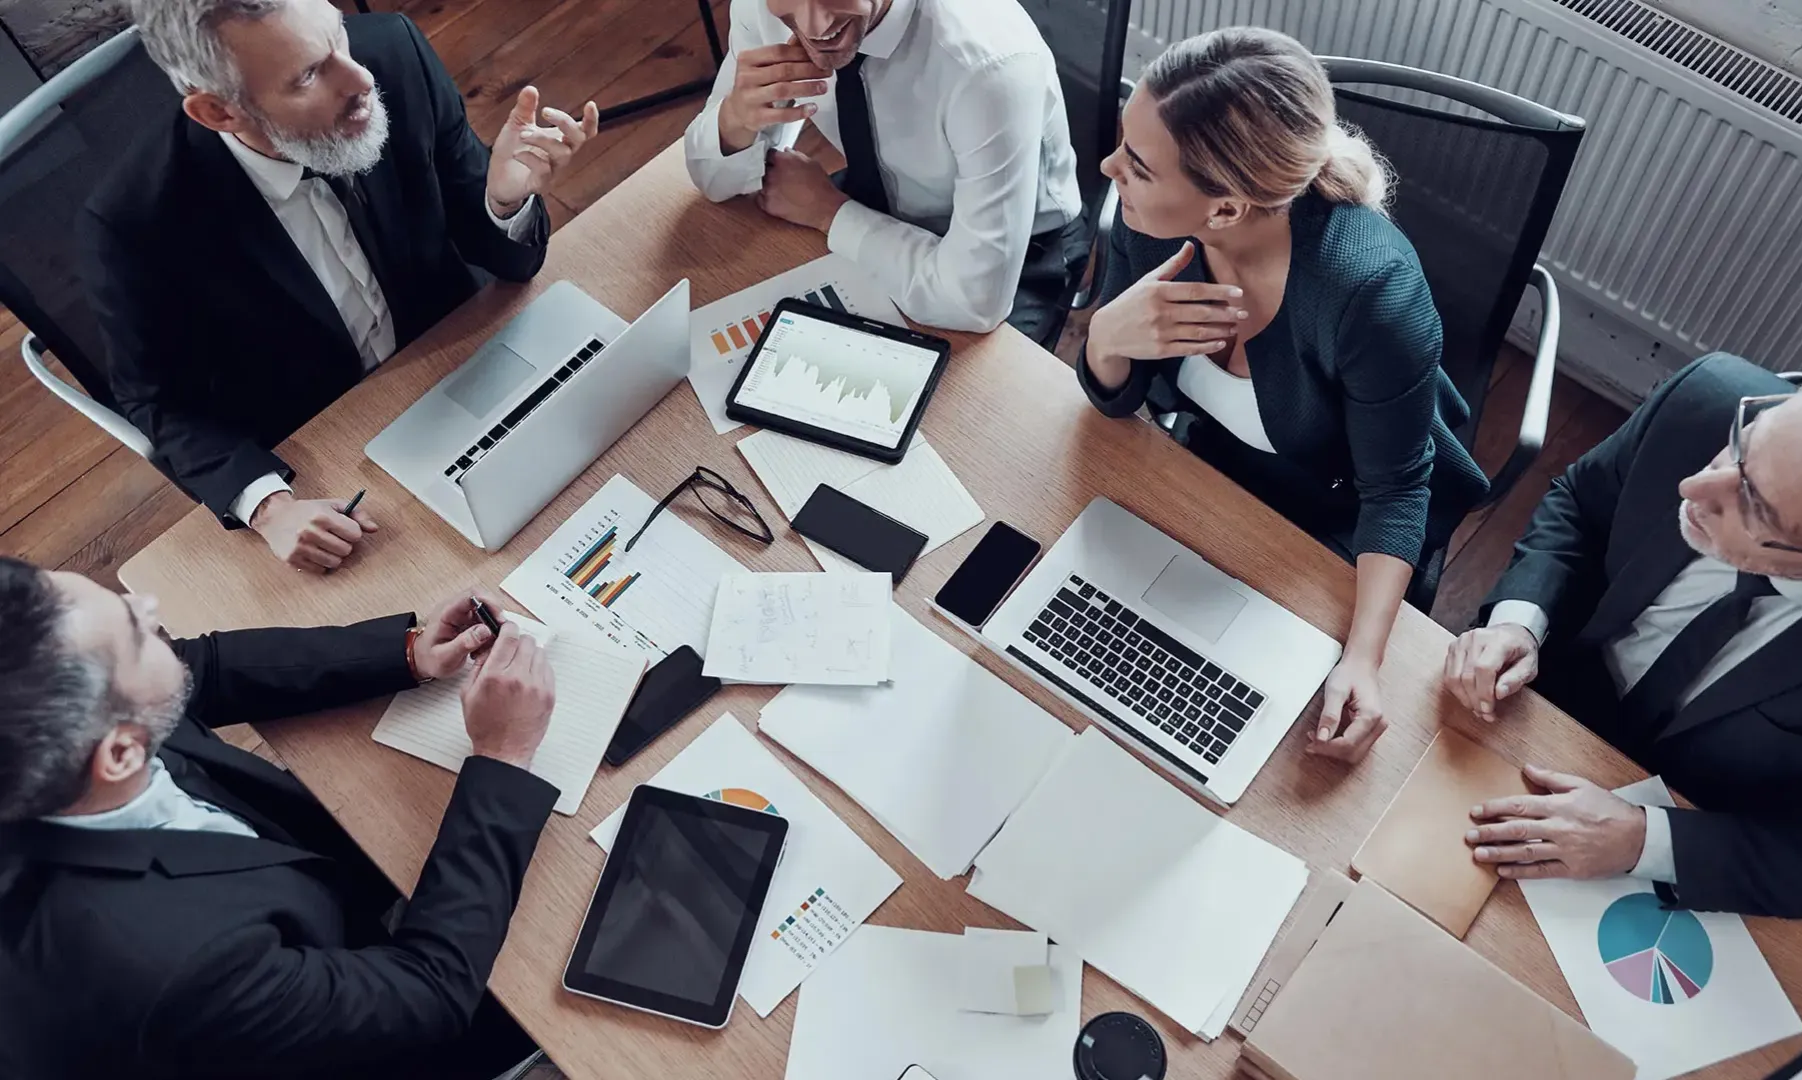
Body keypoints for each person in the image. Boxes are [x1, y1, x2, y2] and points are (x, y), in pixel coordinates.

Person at [1079, 27, 1489, 764]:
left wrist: (1363, 660)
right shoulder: (1155, 221)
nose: (1109, 168)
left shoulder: (1371, 291)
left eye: (1136, 165)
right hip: (1210, 479)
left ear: (1227, 210)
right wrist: (1108, 336)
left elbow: (1397, 491)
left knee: (1245, 740)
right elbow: (1114, 400)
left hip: (1334, 525)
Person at [81, 0, 599, 573]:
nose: (360, 79)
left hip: (462, 362)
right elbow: (158, 402)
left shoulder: (393, 55)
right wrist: (270, 509)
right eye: (307, 74)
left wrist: (503, 201)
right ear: (218, 112)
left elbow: (500, 255)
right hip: (332, 453)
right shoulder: (135, 223)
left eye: (338, 37)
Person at [0, 556, 559, 1078]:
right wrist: (502, 757)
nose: (147, 605)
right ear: (120, 754)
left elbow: (203, 669)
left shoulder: (64, 735)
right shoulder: (179, 966)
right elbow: (426, 997)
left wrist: (408, 652)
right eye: (135, 632)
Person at [1442, 350, 1802, 920]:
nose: (1696, 486)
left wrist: (1647, 842)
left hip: (1699, 825)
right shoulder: (1707, 399)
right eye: (1749, 439)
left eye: (1758, 508)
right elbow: (1582, 505)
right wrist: (1520, 619)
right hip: (1535, 706)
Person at [685, 0, 1086, 342]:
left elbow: (974, 301)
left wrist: (828, 212)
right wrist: (736, 118)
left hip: (1022, 251)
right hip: (873, 199)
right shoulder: (764, 8)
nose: (814, 26)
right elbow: (715, 182)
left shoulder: (990, 65)